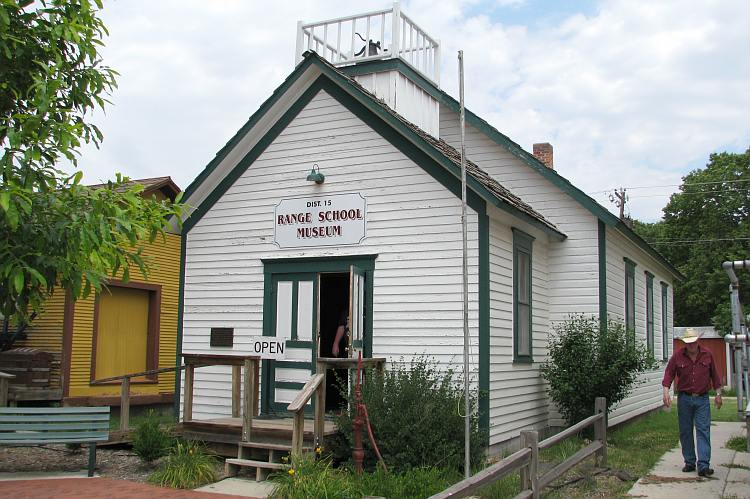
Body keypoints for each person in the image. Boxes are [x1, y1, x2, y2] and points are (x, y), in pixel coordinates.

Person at [662, 328, 722, 477]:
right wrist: (665, 393)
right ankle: (689, 462)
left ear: (698, 340)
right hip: (684, 398)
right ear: (685, 344)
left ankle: (703, 465)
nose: (692, 345)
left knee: (703, 429)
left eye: (694, 342)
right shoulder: (678, 356)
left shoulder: (707, 354)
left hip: (702, 398)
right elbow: (669, 374)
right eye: (688, 343)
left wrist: (718, 394)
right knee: (685, 431)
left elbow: (715, 375)